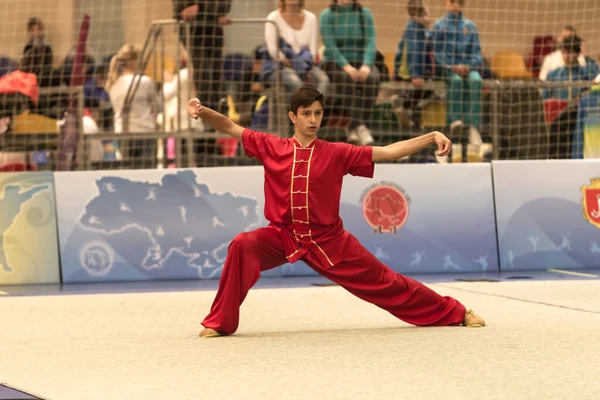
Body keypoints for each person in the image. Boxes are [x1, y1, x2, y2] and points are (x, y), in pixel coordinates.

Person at [187, 85, 486, 338]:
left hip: (329, 241)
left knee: (386, 282)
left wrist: (431, 135)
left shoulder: (338, 152)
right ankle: (220, 323)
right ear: (293, 117)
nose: (313, 119)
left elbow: (389, 151)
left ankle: (456, 311)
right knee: (242, 244)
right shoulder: (270, 146)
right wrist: (202, 111)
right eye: (306, 114)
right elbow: (229, 126)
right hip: (284, 236)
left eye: (318, 113)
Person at [319, 0, 379, 146]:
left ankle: (354, 127)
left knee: (373, 78)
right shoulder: (327, 15)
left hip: (360, 60)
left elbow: (371, 41)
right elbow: (329, 44)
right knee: (346, 78)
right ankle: (360, 127)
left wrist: (366, 65)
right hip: (335, 61)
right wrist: (347, 66)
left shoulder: (364, 14)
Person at [431, 0, 483, 154]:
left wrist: (469, 66)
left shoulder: (470, 27)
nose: (455, 4)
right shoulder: (439, 26)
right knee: (456, 81)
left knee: (476, 80)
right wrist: (451, 66)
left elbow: (477, 53)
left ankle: (472, 126)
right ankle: (455, 121)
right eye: (451, 1)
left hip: (467, 68)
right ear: (444, 3)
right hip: (448, 69)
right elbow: (436, 52)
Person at [262, 0, 329, 96]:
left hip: (306, 63)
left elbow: (313, 50)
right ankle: (302, 110)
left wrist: (303, 64)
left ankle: (314, 108)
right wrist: (292, 63)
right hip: (281, 65)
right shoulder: (273, 17)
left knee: (323, 80)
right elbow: (273, 50)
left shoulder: (311, 18)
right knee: (296, 82)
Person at [393, 0, 435, 128]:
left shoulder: (416, 27)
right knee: (429, 89)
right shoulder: (416, 28)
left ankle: (406, 109)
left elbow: (400, 50)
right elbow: (415, 51)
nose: (429, 17)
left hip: (407, 70)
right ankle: (403, 104)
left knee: (426, 92)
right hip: (411, 71)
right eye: (426, 13)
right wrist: (415, 74)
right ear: (419, 15)